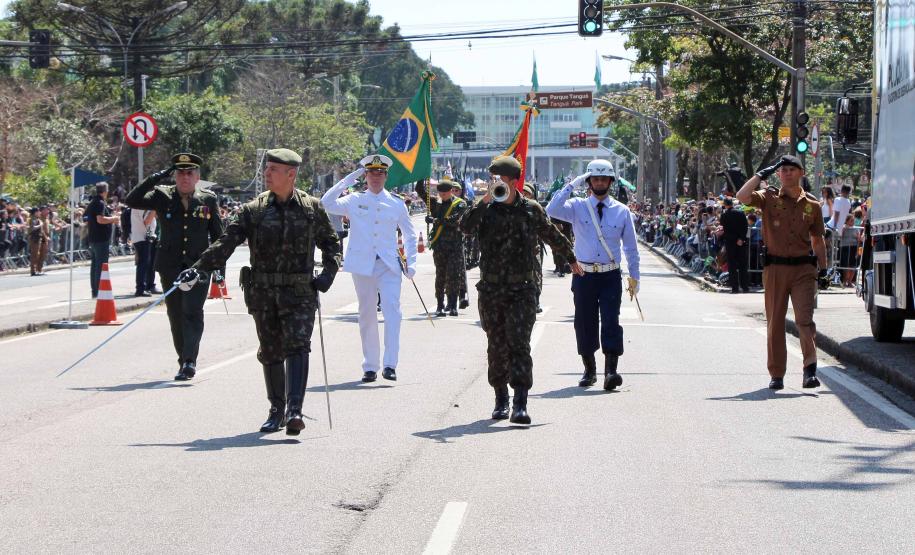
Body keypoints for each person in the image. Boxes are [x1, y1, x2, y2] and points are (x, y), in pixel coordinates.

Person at [180, 149, 340, 435]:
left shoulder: (311, 208)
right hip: (264, 293)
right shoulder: (253, 210)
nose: (266, 174)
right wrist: (199, 267)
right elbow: (226, 242)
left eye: (273, 170)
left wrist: (327, 274)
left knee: (298, 345)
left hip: (299, 292)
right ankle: (276, 409)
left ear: (291, 174)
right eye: (267, 169)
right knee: (271, 350)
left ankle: (294, 409)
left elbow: (331, 245)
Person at [461, 155, 580, 424]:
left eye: (501, 179)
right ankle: (500, 398)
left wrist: (572, 259)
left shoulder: (531, 209)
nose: (496, 183)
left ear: (514, 181)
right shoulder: (485, 208)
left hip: (522, 289)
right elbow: (465, 228)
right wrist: (484, 202)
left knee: (519, 345)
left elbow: (552, 234)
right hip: (491, 289)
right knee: (496, 345)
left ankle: (520, 402)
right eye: (493, 179)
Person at [125, 153, 224, 381]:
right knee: (176, 315)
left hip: (199, 266)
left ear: (197, 176)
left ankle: (190, 360)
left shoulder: (208, 199)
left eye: (190, 173)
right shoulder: (162, 196)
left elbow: (218, 236)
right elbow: (132, 200)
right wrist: (155, 177)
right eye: (180, 173)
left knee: (192, 312)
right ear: (174, 176)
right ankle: (183, 360)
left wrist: (219, 268)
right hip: (170, 265)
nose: (185, 177)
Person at [321, 154, 417, 383]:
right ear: (366, 176)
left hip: (388, 264)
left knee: (393, 311)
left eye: (380, 173)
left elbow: (410, 233)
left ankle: (390, 364)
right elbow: (326, 203)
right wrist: (349, 178)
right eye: (371, 173)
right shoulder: (353, 199)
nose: (376, 177)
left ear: (386, 176)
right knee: (367, 314)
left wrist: (411, 261)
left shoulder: (396, 203)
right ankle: (370, 366)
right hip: (362, 265)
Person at [546, 159, 640, 390]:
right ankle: (589, 370)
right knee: (584, 323)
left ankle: (611, 371)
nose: (599, 182)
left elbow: (630, 247)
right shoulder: (577, 205)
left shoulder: (621, 210)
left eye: (603, 179)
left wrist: (634, 277)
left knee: (610, 321)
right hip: (584, 274)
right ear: (588, 181)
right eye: (595, 178)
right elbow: (551, 210)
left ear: (610, 182)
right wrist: (571, 185)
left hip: (610, 275)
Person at [735, 155, 827, 390]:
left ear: (801, 173)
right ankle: (777, 373)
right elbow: (742, 196)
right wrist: (760, 174)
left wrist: (824, 270)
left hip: (803, 269)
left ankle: (810, 370)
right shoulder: (768, 198)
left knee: (804, 320)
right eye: (782, 170)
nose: (786, 173)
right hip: (775, 268)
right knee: (775, 321)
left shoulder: (813, 205)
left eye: (791, 169)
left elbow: (818, 240)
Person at [415, 177, 467, 316]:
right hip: (439, 246)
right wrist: (421, 175)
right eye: (440, 193)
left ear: (451, 191)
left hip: (455, 245)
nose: (442, 196)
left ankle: (452, 304)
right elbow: (419, 191)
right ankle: (440, 305)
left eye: (445, 193)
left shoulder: (460, 204)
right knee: (441, 275)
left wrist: (435, 220)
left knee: (454, 275)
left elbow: (455, 220)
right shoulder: (435, 203)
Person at [84, 183, 119, 297]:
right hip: (100, 239)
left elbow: (86, 217)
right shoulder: (99, 203)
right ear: (105, 191)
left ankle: (95, 290)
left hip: (94, 237)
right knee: (101, 265)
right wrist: (113, 219)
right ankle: (99, 290)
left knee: (95, 266)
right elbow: (100, 219)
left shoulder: (93, 202)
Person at [719, 197, 750, 293]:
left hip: (730, 242)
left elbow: (722, 225)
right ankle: (745, 286)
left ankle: (735, 288)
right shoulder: (740, 213)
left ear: (725, 205)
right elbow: (745, 226)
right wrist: (741, 238)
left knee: (732, 265)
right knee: (743, 265)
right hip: (740, 242)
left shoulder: (724, 215)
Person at [129, 205, 160, 296]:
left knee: (146, 264)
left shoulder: (139, 205)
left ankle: (146, 286)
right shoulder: (141, 206)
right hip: (142, 238)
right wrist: (154, 208)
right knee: (143, 264)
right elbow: (147, 221)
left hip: (143, 238)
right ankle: (140, 289)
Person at [28, 205, 50, 276]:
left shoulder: (38, 219)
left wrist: (45, 238)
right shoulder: (32, 219)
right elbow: (33, 228)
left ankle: (38, 270)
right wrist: (40, 225)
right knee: (34, 255)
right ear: (35, 212)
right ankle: (33, 271)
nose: (39, 213)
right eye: (38, 211)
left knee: (40, 255)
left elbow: (42, 230)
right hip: (34, 238)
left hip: (39, 238)